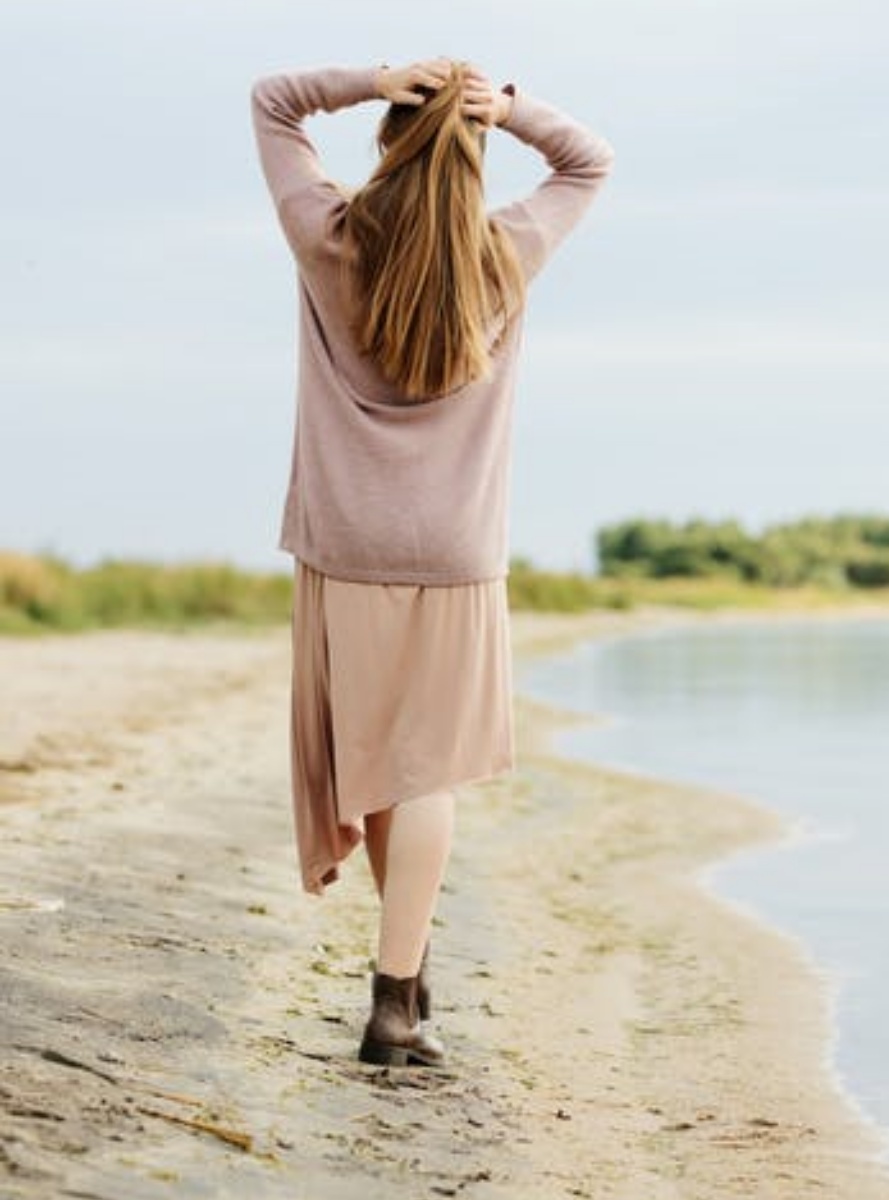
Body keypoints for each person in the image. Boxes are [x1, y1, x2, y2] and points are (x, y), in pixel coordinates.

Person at [250, 58, 614, 1067]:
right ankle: (396, 995)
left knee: (381, 762)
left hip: (345, 538)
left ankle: (404, 982)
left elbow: (273, 101)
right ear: (476, 156)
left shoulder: (328, 238)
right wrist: (513, 107)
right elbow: (589, 163)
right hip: (454, 549)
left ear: (388, 143)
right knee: (425, 768)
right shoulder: (505, 255)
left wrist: (371, 81)